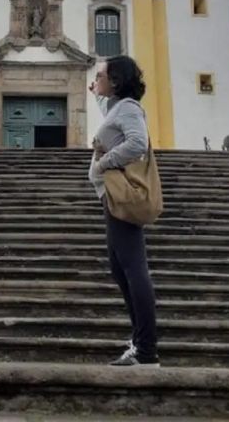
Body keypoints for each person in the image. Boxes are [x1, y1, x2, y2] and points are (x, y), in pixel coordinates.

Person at [89, 56, 159, 366]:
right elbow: (109, 116)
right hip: (111, 196)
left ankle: (145, 349)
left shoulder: (128, 107)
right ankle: (139, 340)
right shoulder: (117, 107)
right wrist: (95, 92)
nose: (96, 77)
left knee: (133, 268)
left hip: (121, 195)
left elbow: (137, 143)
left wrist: (103, 164)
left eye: (100, 74)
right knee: (120, 268)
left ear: (115, 81)